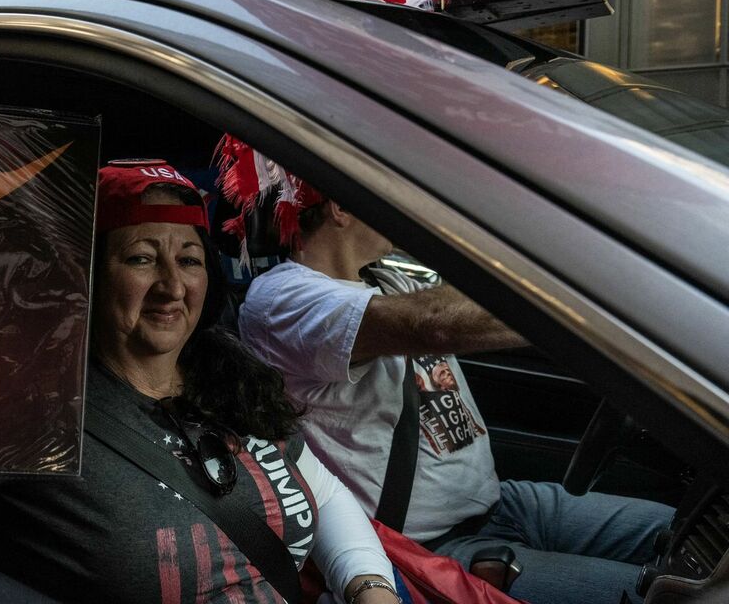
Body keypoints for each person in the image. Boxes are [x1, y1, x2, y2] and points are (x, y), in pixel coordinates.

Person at [0, 57, 400, 604]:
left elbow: (320, 485)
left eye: (190, 259)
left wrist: (369, 585)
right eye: (142, 258)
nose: (173, 285)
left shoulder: (230, 380)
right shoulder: (25, 405)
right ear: (87, 276)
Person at [234, 188, 675, 604]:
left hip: (505, 502)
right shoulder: (282, 296)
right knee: (669, 595)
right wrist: (597, 287)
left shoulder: (386, 277)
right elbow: (433, 323)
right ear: (339, 207)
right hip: (430, 548)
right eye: (381, 194)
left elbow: (458, 287)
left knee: (684, 535)